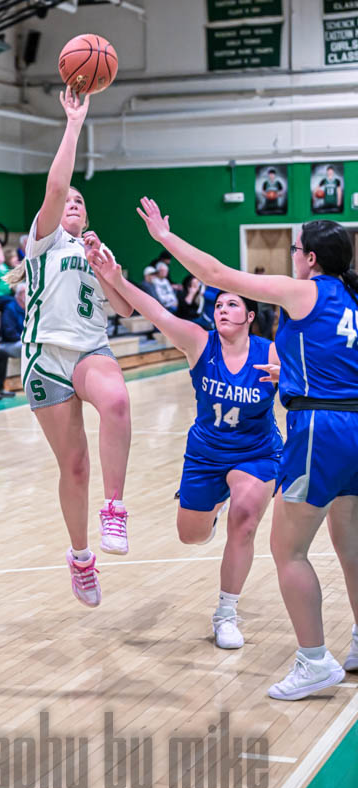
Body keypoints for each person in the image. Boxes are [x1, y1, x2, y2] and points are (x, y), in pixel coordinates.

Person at [138, 197, 358, 700]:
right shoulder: (353, 300)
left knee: (288, 550)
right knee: (351, 546)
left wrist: (165, 238)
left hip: (320, 431)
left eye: (296, 249)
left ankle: (313, 660)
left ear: (311, 258)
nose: (293, 256)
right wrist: (295, 373)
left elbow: (217, 273)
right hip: (355, 424)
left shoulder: (306, 290)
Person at [89, 246, 282, 648]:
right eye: (219, 304)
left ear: (250, 316)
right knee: (190, 536)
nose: (222, 309)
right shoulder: (198, 342)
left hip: (257, 452)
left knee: (245, 519)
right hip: (206, 454)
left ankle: (226, 613)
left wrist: (289, 379)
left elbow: (316, 381)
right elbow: (157, 314)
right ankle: (213, 508)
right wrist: (116, 279)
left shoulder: (271, 352)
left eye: (233, 304)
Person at [16, 87, 134, 609]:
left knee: (118, 402)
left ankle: (115, 509)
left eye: (79, 202)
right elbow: (56, 184)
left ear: (86, 215)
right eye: (67, 200)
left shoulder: (97, 250)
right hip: (45, 357)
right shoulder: (43, 241)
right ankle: (81, 557)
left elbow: (124, 310)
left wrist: (110, 272)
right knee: (75, 466)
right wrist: (74, 123)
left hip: (90, 349)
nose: (71, 203)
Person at [0, 284, 26, 358]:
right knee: (28, 347)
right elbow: (10, 333)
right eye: (25, 292)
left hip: (23, 341)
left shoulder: (29, 309)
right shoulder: (10, 308)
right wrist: (26, 338)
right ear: (19, 294)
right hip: (9, 344)